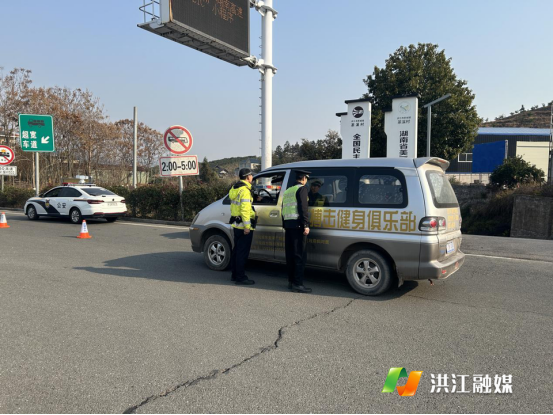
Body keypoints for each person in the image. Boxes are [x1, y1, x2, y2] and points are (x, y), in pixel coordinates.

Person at [282, 170, 312, 294]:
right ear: (304, 178)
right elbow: (303, 207)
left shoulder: (288, 190)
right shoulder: (302, 189)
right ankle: (298, 284)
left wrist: (284, 224)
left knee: (290, 255)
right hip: (298, 226)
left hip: (288, 225)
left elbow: (283, 209)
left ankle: (291, 281)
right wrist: (306, 224)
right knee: (299, 255)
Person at [229, 168, 258, 286]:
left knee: (236, 251)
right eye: (251, 176)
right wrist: (247, 226)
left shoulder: (235, 188)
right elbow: (245, 210)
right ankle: (240, 278)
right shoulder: (245, 191)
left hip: (236, 224)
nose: (252, 177)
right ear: (247, 177)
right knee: (242, 253)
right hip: (243, 226)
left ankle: (234, 275)